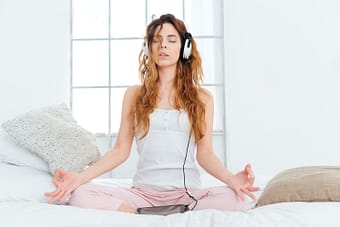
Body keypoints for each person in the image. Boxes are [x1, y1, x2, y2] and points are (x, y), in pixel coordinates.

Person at [45, 13, 260, 213]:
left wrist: (231, 179)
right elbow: (120, 150)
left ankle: (171, 211)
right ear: (149, 47)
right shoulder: (134, 94)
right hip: (143, 194)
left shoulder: (202, 98)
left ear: (185, 47)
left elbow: (205, 154)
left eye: (171, 40)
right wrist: (79, 178)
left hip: (187, 194)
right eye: (156, 40)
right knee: (81, 194)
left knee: (238, 199)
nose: (163, 45)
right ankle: (139, 213)